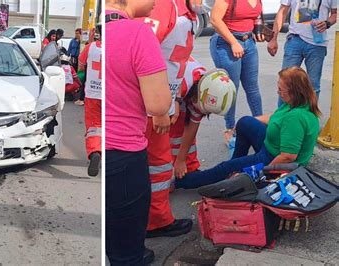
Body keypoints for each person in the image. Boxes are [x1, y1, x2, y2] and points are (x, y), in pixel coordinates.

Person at [175, 66, 321, 189]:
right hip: (272, 146)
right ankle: (235, 166)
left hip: (275, 159)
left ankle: (181, 182)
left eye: (281, 90)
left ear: (294, 92)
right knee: (245, 122)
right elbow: (275, 118)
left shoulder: (295, 118)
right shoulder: (298, 103)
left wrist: (262, 173)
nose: (278, 92)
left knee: (224, 167)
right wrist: (251, 121)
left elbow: (288, 157)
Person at [106, 0, 172, 264]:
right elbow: (158, 104)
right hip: (124, 155)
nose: (156, 3)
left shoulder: (96, 33)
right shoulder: (137, 32)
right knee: (126, 251)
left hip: (101, 147)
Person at [139, 0, 207, 239]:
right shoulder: (166, 7)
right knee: (148, 165)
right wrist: (159, 108)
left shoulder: (185, 13)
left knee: (158, 166)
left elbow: (173, 63)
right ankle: (147, 223)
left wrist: (175, 99)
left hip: (159, 102)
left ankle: (156, 220)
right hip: (147, 105)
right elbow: (143, 51)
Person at [210, 0, 265, 145]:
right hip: (226, 43)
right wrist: (234, 42)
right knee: (231, 89)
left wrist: (260, 31)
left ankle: (261, 126)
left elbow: (255, 17)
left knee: (253, 88)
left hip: (249, 42)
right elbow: (215, 19)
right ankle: (230, 129)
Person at [267, 0, 337, 105]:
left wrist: (327, 23)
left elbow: (334, 14)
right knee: (285, 82)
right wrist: (273, 38)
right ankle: (282, 118)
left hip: (317, 43)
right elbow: (283, 10)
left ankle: (309, 119)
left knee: (313, 86)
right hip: (295, 39)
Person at [79, 23, 102, 177]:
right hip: (112, 95)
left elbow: (80, 67)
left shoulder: (91, 47)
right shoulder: (119, 46)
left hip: (93, 94)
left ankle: (95, 151)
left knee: (94, 126)